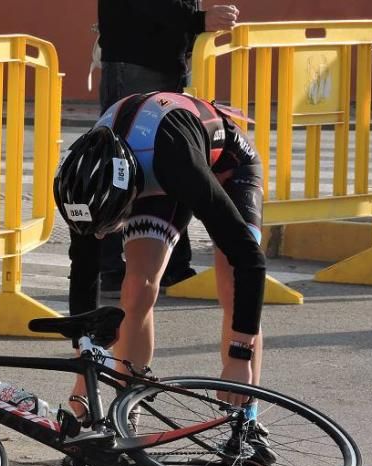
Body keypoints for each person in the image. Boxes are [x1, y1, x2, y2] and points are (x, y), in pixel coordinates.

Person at [55, 91, 266, 425]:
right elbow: (83, 271)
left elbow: (251, 261)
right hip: (149, 167)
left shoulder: (178, 164)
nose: (99, 236)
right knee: (137, 289)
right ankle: (128, 412)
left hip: (224, 166)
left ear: (126, 194)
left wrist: (240, 355)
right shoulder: (85, 177)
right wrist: (86, 354)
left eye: (108, 224)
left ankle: (245, 421)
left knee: (232, 282)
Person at [93, 0, 240, 297]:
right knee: (124, 164)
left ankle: (173, 264)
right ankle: (109, 266)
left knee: (168, 161)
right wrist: (198, 21)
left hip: (160, 60)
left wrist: (194, 27)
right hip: (137, 62)